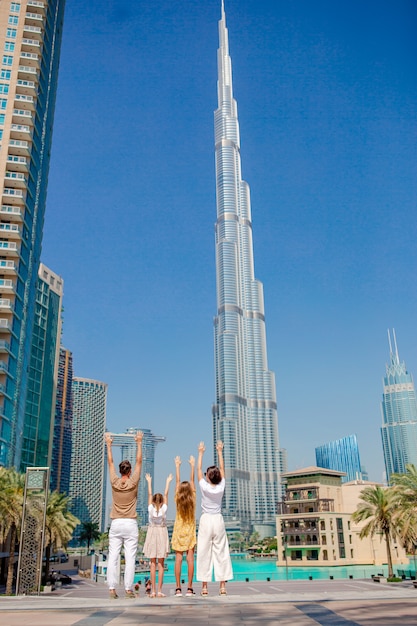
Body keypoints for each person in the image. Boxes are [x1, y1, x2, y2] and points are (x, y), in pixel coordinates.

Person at [105, 430, 143, 599]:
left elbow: (110, 462)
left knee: (113, 557)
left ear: (120, 471)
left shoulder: (114, 481)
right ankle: (128, 589)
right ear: (129, 471)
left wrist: (109, 444)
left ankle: (112, 589)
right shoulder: (133, 482)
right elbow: (140, 461)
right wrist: (139, 442)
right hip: (130, 523)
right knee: (130, 557)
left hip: (116, 523)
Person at [196, 440, 233, 596]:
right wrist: (219, 451)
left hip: (206, 520)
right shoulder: (221, 486)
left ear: (207, 477)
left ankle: (204, 587)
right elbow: (223, 469)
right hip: (218, 519)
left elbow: (198, 468)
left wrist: (201, 452)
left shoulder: (204, 487)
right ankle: (222, 586)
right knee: (221, 552)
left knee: (204, 552)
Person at [142, 472, 173, 597]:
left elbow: (149, 494)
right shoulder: (164, 509)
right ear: (162, 501)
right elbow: (166, 494)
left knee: (152, 564)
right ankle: (159, 590)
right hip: (161, 532)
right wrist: (168, 482)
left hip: (152, 532)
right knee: (161, 564)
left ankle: (153, 591)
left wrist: (149, 482)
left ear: (154, 501)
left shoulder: (150, 509)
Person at [171, 454, 196, 597]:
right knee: (190, 559)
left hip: (179, 531)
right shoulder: (192, 499)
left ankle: (178, 588)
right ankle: (190, 588)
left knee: (178, 559)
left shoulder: (177, 499)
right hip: (190, 531)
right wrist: (192, 465)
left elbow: (178, 481)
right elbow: (192, 481)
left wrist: (177, 466)